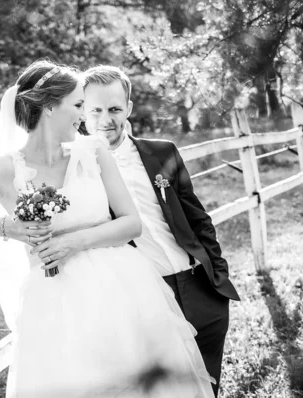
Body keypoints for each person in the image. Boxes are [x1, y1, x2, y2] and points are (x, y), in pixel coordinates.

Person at [0, 60, 214, 397]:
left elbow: (131, 223)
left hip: (122, 292)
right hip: (55, 305)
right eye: (78, 105)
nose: (83, 115)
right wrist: (9, 227)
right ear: (49, 106)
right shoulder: (6, 170)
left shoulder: (93, 153)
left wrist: (74, 242)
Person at [82, 65, 241, 397]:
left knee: (209, 388)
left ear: (128, 106)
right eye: (95, 110)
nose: (105, 119)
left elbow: (197, 217)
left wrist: (216, 269)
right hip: (147, 297)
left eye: (114, 108)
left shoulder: (162, 151)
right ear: (82, 111)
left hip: (201, 287)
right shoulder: (79, 172)